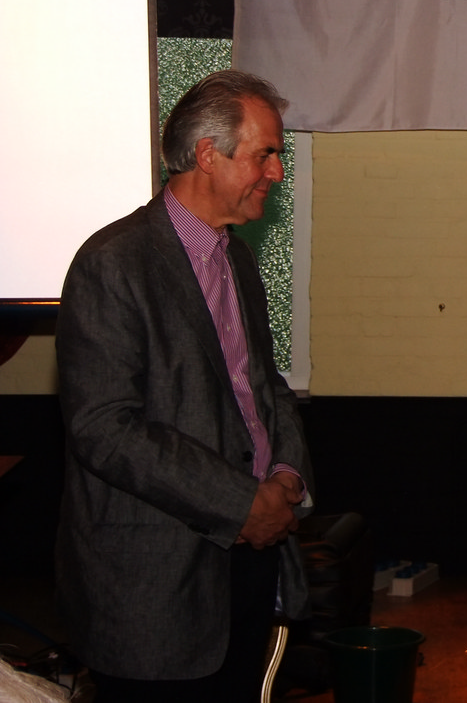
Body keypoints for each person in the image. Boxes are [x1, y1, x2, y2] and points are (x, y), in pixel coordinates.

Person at [55, 70, 314, 703]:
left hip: (250, 559)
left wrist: (286, 475)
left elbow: (265, 389)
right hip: (157, 584)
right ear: (207, 154)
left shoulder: (237, 258)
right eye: (265, 153)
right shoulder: (113, 263)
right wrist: (241, 503)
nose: (277, 172)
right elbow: (104, 428)